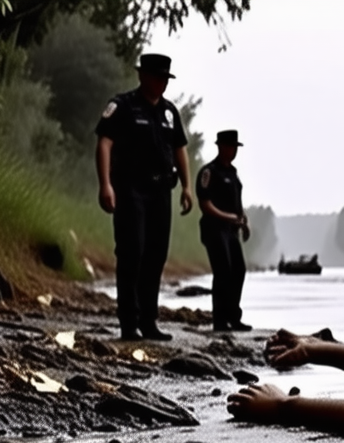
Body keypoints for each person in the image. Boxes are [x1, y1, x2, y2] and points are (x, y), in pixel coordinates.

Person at [95, 53, 193, 342]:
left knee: (155, 255)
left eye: (165, 78)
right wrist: (105, 184)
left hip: (161, 191)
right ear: (142, 76)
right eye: (157, 77)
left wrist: (187, 187)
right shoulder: (123, 105)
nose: (162, 82)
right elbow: (104, 144)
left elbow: (179, 149)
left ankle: (149, 321)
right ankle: (129, 323)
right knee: (132, 252)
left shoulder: (170, 112)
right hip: (130, 189)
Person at [196, 130, 252, 332]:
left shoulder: (233, 173)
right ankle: (220, 320)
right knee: (223, 271)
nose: (233, 151)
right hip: (214, 228)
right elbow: (205, 204)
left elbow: (237, 203)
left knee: (238, 270)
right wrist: (226, 216)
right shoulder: (209, 172)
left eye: (235, 147)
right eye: (230, 147)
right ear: (221, 147)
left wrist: (243, 222)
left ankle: (233, 317)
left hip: (232, 230)